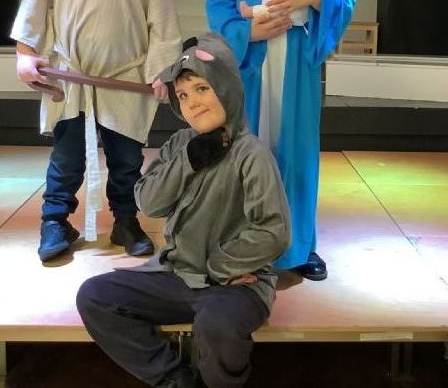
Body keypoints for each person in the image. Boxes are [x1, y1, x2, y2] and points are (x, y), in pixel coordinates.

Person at [76, 33, 290, 388]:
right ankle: (174, 379)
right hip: (175, 275)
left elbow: (272, 231)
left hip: (233, 283)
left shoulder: (251, 154)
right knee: (95, 296)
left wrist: (219, 267)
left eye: (202, 89)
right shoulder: (180, 144)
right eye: (183, 95)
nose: (192, 103)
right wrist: (188, 161)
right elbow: (149, 201)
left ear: (226, 89)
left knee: (217, 325)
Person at [11, 0, 181, 262]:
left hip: (126, 78)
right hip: (71, 76)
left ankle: (126, 221)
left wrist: (162, 69)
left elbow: (161, 18)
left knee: (126, 160)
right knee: (67, 158)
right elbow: (36, 2)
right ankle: (55, 221)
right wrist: (26, 52)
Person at [206, 0, 355, 281]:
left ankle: (298, 245)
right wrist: (246, 33)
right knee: (245, 150)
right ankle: (241, 241)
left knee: (296, 152)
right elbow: (217, 4)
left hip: (297, 69)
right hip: (249, 67)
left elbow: (345, 2)